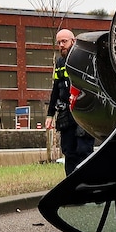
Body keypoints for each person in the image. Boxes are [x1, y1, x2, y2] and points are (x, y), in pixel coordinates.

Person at [45, 29, 95, 175]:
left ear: (73, 41)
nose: (61, 45)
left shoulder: (85, 60)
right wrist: (50, 115)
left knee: (84, 151)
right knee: (69, 152)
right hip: (66, 114)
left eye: (64, 41)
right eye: (59, 42)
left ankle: (86, 184)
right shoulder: (60, 63)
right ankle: (71, 187)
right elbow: (56, 88)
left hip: (83, 112)